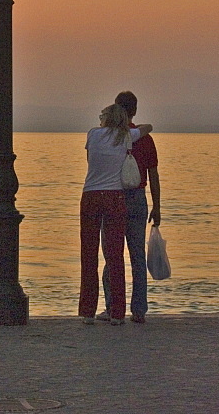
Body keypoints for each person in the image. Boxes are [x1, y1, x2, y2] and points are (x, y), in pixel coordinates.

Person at [79, 104, 153, 325]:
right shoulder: (126, 135)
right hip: (115, 197)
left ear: (105, 118)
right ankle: (118, 314)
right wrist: (131, 127)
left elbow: (90, 160)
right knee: (115, 255)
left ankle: (88, 312)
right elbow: (149, 127)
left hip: (90, 195)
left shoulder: (92, 134)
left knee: (89, 255)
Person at [97, 90, 160, 324]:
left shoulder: (108, 137)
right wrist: (157, 206)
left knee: (112, 255)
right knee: (137, 256)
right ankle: (139, 310)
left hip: (114, 197)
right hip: (138, 199)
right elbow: (153, 175)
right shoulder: (145, 138)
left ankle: (112, 307)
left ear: (115, 109)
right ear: (134, 110)